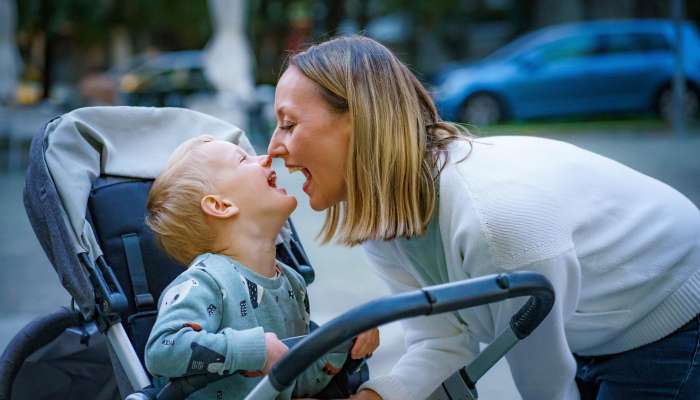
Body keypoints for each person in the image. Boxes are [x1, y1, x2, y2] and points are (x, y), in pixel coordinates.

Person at [267, 35, 700, 400]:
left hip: (671, 315)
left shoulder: (492, 221)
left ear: (359, 121)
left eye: (288, 124)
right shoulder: (384, 219)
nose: (272, 148)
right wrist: (374, 395)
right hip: (597, 325)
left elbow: (546, 386)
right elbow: (441, 339)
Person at [144, 135, 379, 399]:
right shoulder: (206, 282)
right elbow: (162, 351)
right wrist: (252, 350)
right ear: (221, 206)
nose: (266, 157)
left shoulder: (290, 281)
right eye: (243, 159)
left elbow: (301, 378)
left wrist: (347, 342)